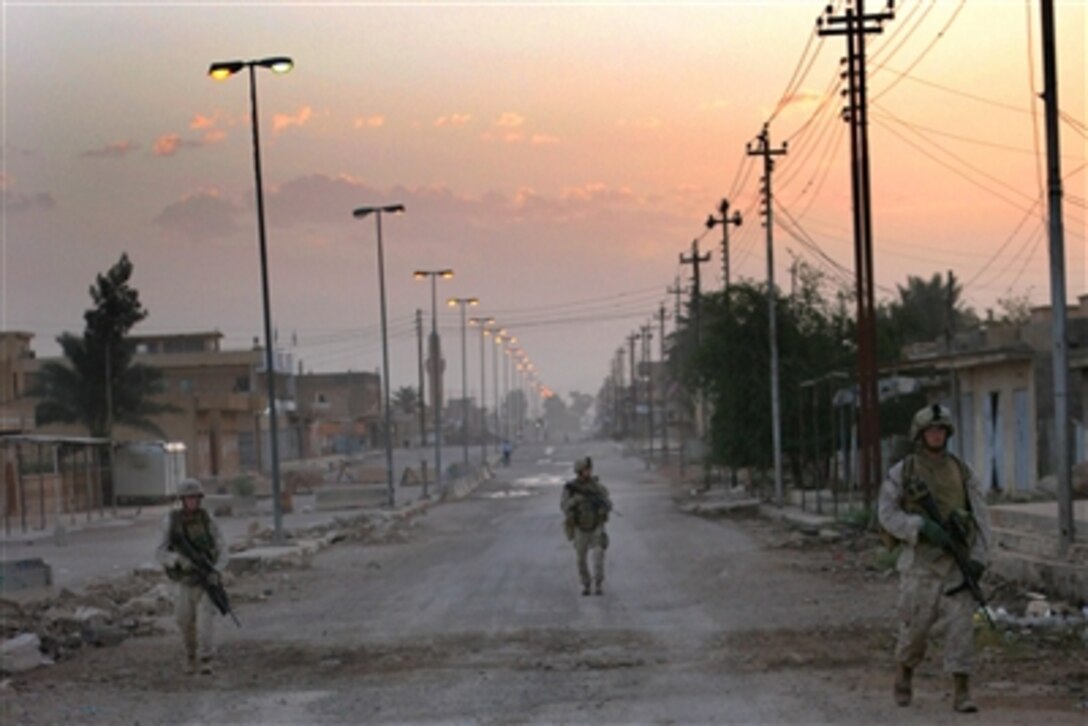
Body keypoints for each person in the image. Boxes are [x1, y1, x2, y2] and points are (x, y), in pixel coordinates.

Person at [878, 404, 992, 713]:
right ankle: (904, 672)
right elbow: (886, 514)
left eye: (941, 430)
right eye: (931, 430)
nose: (937, 435)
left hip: (956, 563)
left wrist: (980, 558)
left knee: (961, 629)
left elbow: (981, 517)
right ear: (920, 434)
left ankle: (962, 690)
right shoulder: (904, 471)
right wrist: (920, 526)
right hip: (920, 563)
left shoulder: (961, 470)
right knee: (915, 629)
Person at [155, 478, 228, 675]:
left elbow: (221, 547)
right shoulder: (171, 521)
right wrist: (177, 560)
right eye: (188, 498)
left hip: (205, 581)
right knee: (184, 621)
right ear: (182, 499)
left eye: (195, 497)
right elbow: (160, 552)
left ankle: (206, 659)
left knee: (206, 622)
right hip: (184, 581)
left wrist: (216, 571)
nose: (192, 502)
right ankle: (190, 656)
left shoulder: (208, 520)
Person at [560, 456, 612, 596]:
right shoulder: (571, 488)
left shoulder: (597, 487)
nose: (588, 472)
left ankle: (599, 582)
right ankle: (586, 584)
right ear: (579, 471)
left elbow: (608, 503)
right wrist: (576, 500)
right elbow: (564, 507)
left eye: (589, 469)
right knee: (581, 559)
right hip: (579, 527)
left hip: (596, 525)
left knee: (598, 554)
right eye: (585, 469)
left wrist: (603, 507)